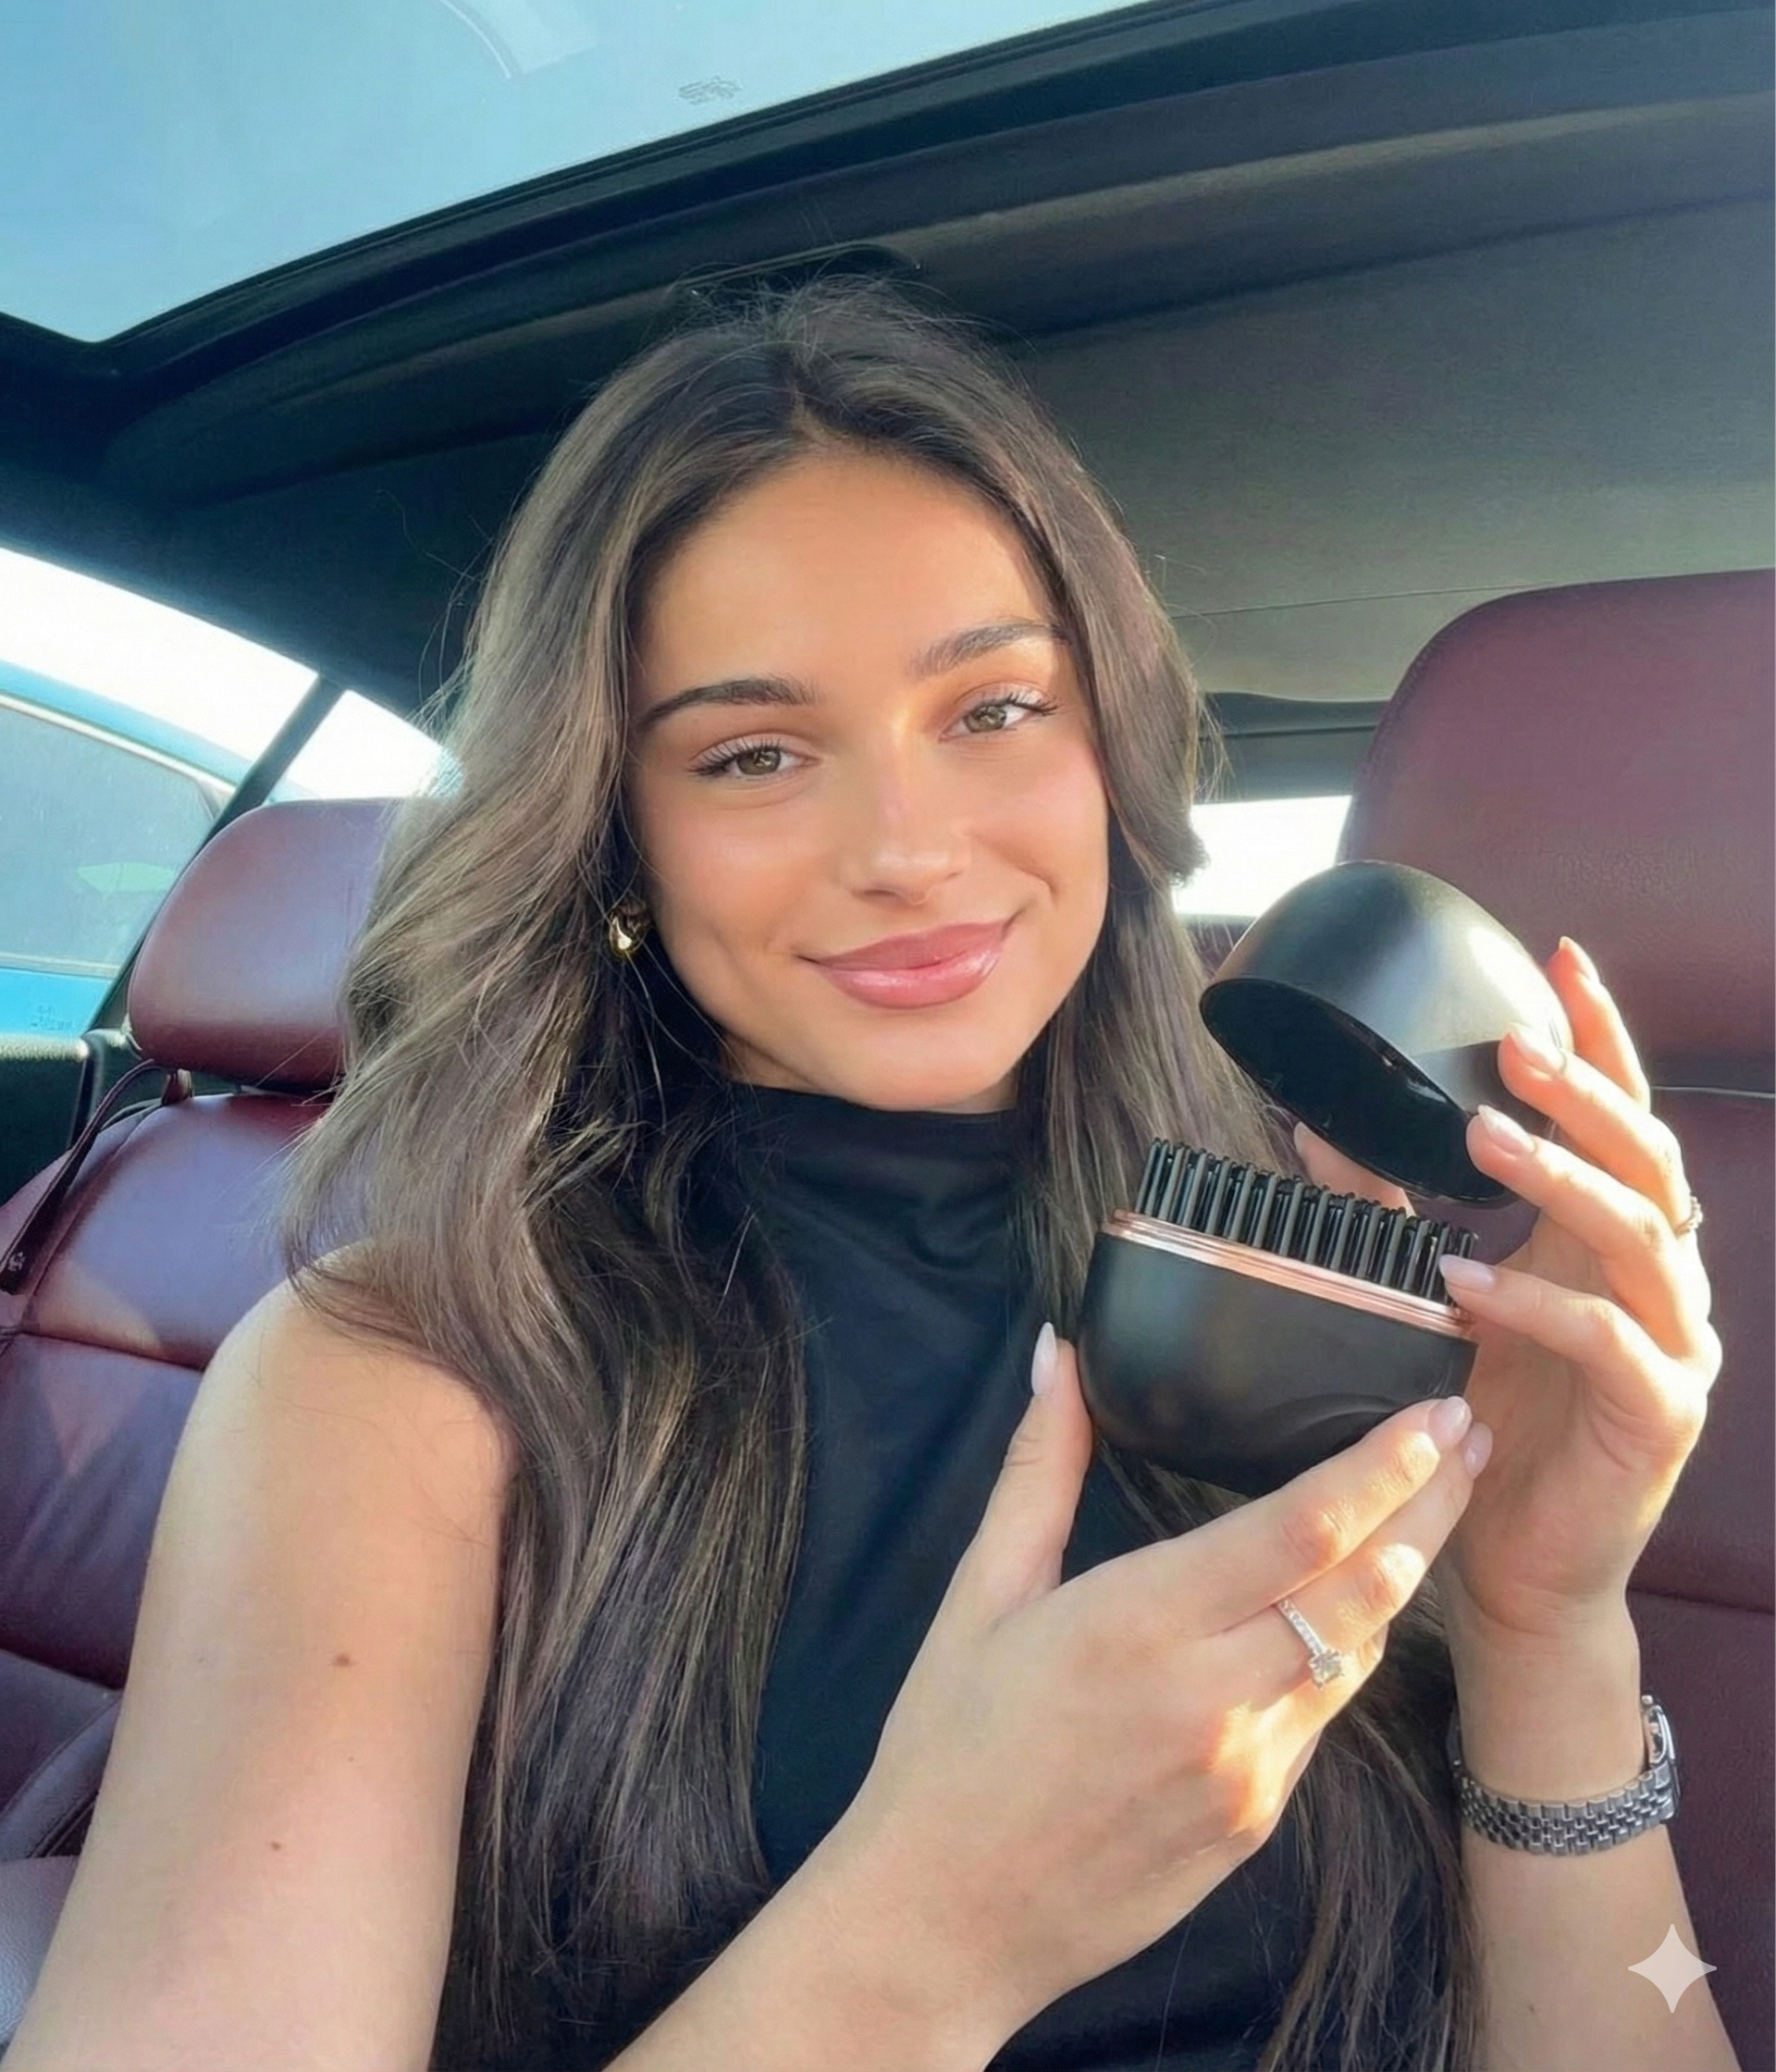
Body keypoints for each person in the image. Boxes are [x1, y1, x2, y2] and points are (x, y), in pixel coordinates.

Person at [6, 281, 1733, 2072]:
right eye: (754, 754)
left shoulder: (1304, 1295)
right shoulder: (401, 1380)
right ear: (617, 832)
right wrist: (931, 1935)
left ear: (1110, 751)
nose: (908, 849)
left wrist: (1546, 1622)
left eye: (995, 709)